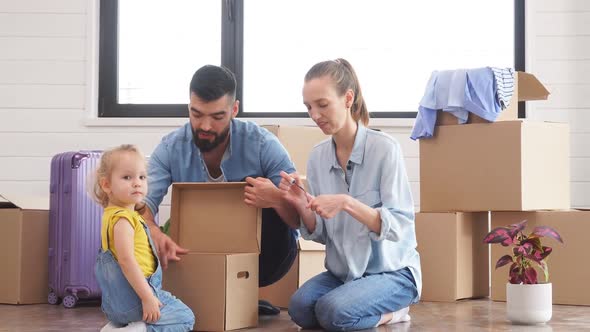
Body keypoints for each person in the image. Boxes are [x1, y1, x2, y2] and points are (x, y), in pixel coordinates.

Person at [136, 65, 299, 314]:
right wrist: (155, 232)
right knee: (135, 226)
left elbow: (301, 218)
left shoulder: (263, 144)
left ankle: (239, 293)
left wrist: (277, 199)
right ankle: (220, 300)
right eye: (196, 114)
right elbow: (139, 206)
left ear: (234, 110)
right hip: (195, 248)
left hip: (264, 257)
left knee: (274, 203)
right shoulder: (170, 147)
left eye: (217, 116)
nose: (206, 126)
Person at [279, 58, 422, 331]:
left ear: (347, 98)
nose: (314, 115)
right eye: (309, 107)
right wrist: (301, 205)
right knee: (299, 308)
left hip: (393, 273)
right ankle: (353, 304)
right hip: (344, 274)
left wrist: (346, 203)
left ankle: (396, 312)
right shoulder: (318, 157)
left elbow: (400, 226)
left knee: (332, 312)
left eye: (322, 105)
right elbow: (321, 233)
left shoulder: (385, 149)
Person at [92, 144, 195, 332]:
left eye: (142, 177)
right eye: (127, 177)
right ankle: (140, 328)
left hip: (113, 306)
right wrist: (148, 298)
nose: (137, 183)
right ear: (106, 185)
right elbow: (126, 261)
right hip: (135, 300)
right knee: (185, 317)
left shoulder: (111, 215)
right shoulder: (124, 220)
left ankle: (116, 326)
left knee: (168, 304)